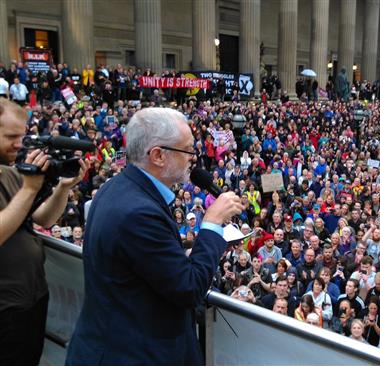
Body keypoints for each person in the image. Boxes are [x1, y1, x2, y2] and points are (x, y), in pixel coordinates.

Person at [65, 108, 243, 365]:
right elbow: (189, 288)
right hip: (134, 354)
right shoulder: (139, 212)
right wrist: (213, 224)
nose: (193, 158)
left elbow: (141, 265)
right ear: (158, 155)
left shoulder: (117, 188)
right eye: (187, 150)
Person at [0, 99, 88, 365]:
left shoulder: (12, 172)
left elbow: (44, 218)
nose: (20, 143)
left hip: (31, 299)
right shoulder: (20, 178)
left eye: (23, 135)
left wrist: (63, 188)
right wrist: (29, 188)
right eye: (11, 136)